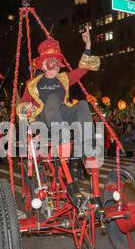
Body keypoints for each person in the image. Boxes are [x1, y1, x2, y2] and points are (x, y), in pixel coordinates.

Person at [16, 25, 101, 210]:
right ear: (44, 65)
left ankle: (88, 146)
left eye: (57, 63)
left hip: (62, 115)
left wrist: (88, 44)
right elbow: (20, 106)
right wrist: (27, 107)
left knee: (82, 104)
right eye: (51, 63)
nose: (55, 67)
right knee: (53, 100)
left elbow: (83, 69)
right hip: (42, 120)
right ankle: (61, 138)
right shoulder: (32, 84)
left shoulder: (64, 79)